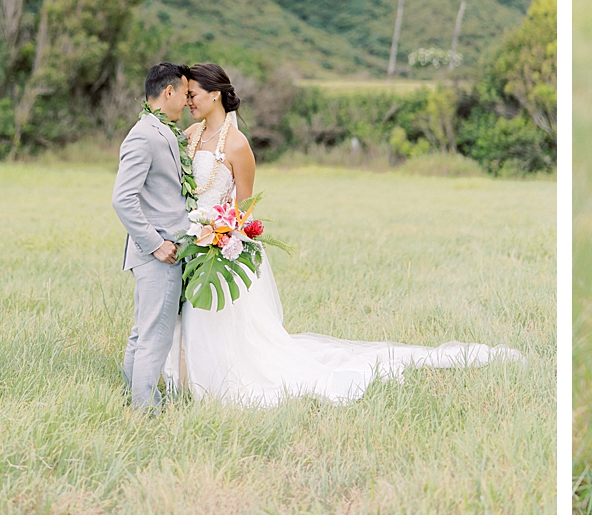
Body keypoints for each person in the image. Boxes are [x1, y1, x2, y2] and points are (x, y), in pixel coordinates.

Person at [162, 63, 521, 405]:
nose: (188, 100)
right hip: (193, 239)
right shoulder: (190, 135)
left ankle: (218, 377)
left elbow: (244, 208)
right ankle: (182, 376)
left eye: (193, 93)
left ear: (215, 95)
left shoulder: (239, 146)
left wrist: (224, 236)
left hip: (221, 244)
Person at [111, 61, 192, 411]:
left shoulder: (163, 131)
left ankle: (138, 400)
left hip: (162, 251)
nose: (188, 101)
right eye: (186, 93)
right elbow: (122, 198)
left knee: (143, 334)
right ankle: (145, 411)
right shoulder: (144, 135)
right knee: (154, 338)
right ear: (168, 92)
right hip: (158, 252)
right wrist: (157, 244)